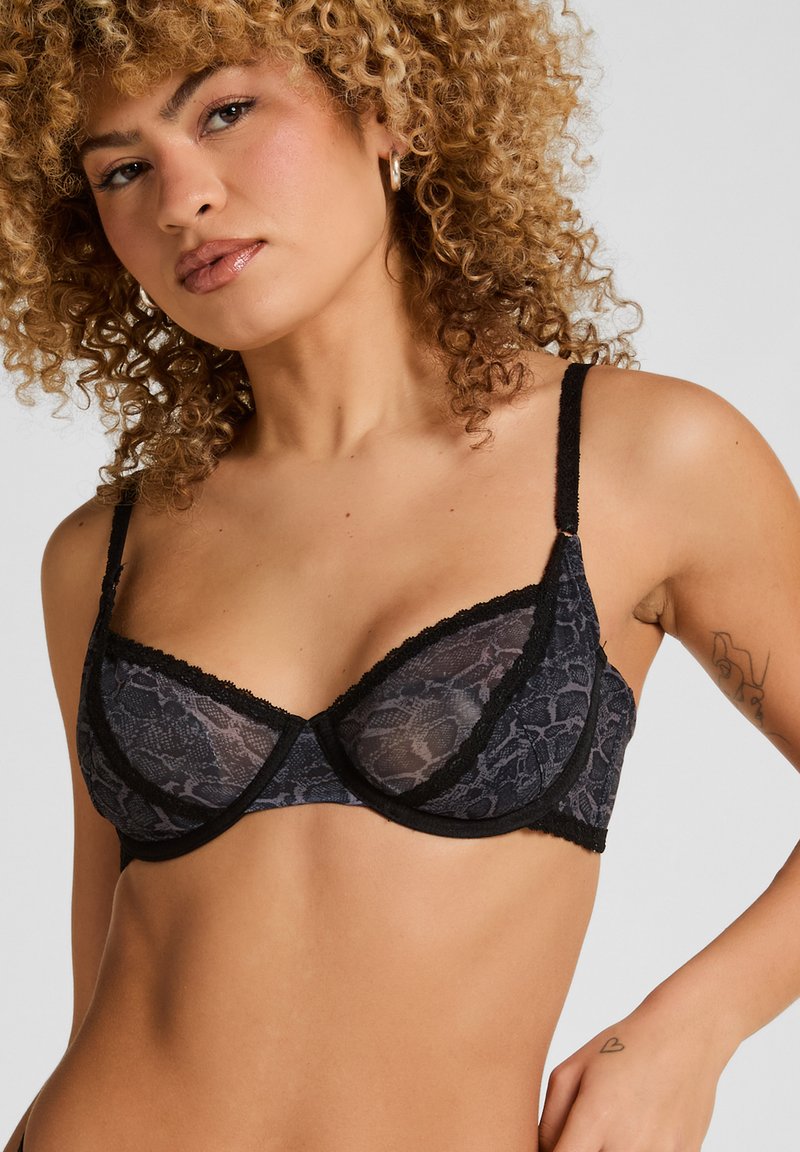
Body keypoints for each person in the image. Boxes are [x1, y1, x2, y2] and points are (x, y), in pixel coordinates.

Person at [1, 2, 798, 1150]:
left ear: (384, 103)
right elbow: (103, 974)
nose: (180, 200)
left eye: (225, 112)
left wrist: (690, 1029)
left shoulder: (635, 463)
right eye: (122, 169)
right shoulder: (103, 550)